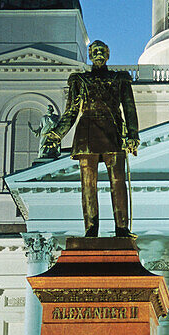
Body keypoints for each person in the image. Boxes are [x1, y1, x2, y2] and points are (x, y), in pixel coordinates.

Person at [44, 40, 140, 237]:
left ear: (108, 54)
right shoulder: (79, 80)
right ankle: (91, 229)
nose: (98, 54)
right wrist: (56, 134)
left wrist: (132, 135)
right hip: (86, 133)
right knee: (88, 184)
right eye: (94, 51)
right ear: (89, 55)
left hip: (113, 131)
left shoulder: (120, 79)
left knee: (118, 182)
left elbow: (130, 108)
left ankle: (122, 228)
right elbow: (71, 111)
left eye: (101, 51)